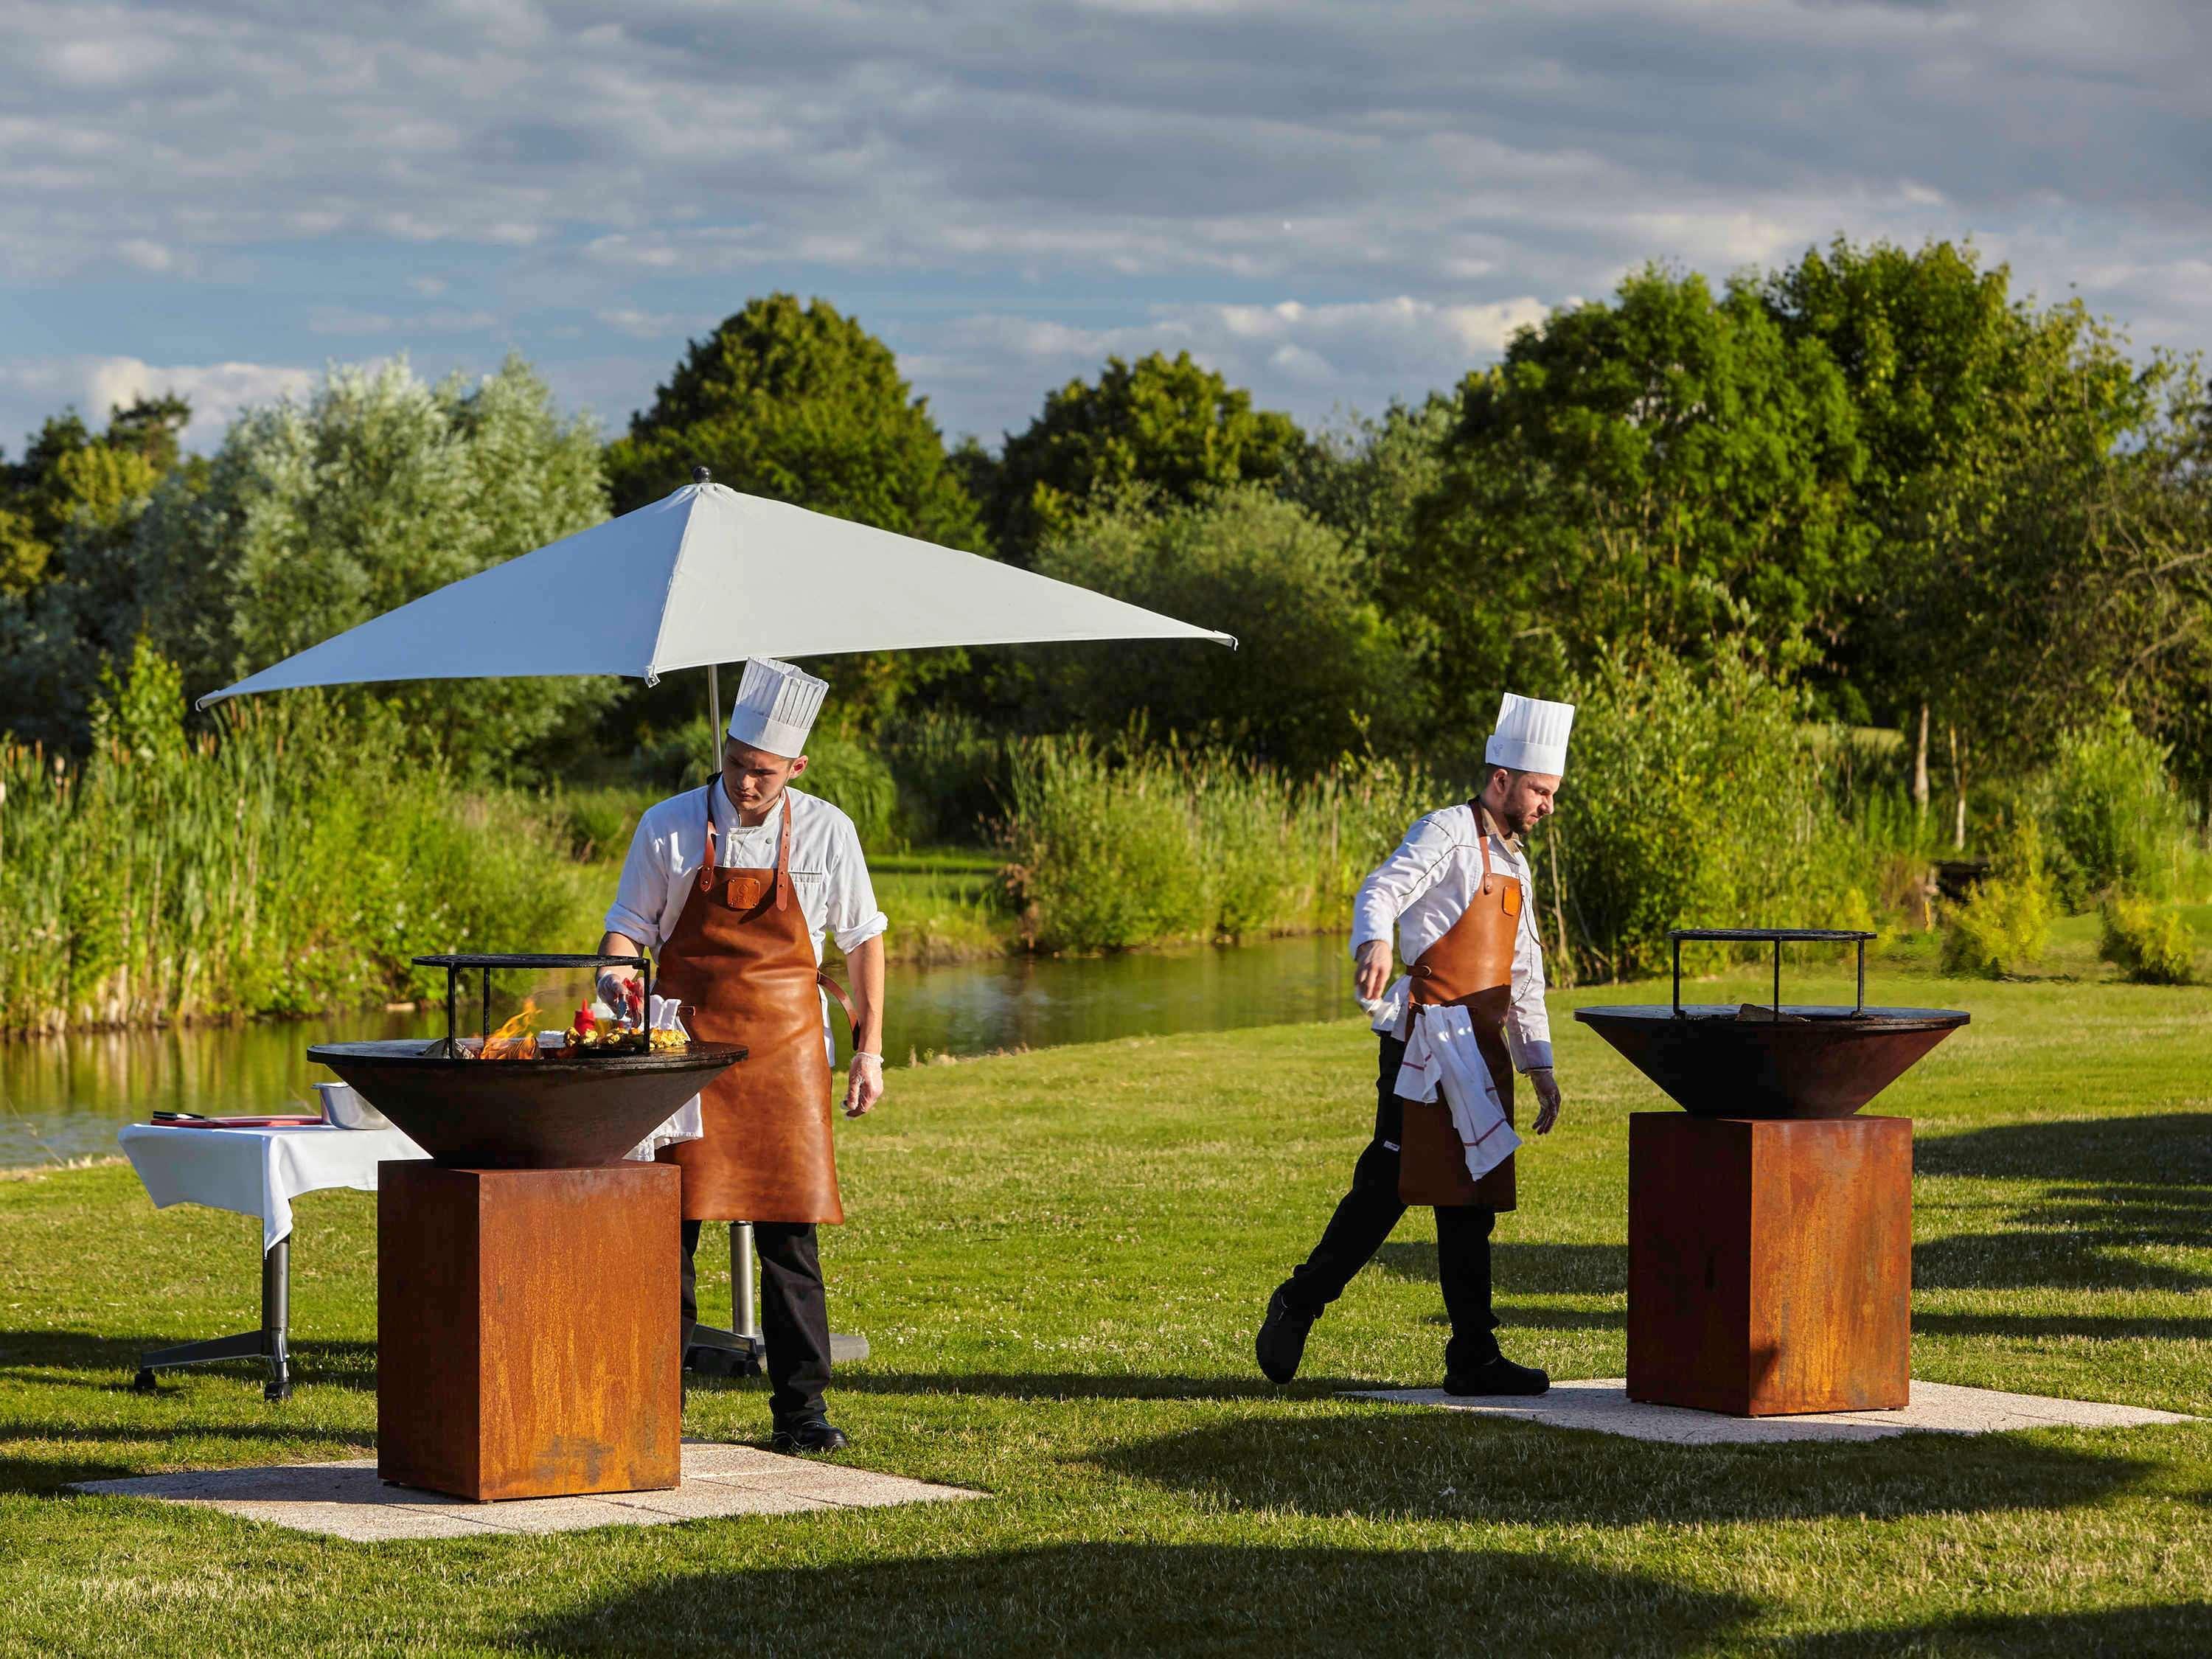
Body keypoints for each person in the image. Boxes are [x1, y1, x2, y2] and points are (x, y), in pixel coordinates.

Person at [598, 656, 887, 1455]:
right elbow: (629, 929)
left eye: (763, 773)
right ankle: (654, 1412)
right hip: (683, 1050)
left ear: (797, 767)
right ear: (721, 750)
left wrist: (871, 1050)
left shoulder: (830, 830)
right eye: (735, 766)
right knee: (669, 1231)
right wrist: (615, 984)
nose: (747, 785)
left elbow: (864, 940)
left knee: (790, 1237)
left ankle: (803, 1413)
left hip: (789, 1054)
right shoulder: (668, 824)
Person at [1256, 693, 1573, 1396]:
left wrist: (1539, 1065)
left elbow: (1524, 973)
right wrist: (1372, 939)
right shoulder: (1449, 833)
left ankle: (1473, 1355)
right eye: (1540, 791)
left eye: (1552, 793)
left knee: (1470, 1200)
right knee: (1387, 1190)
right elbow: (1382, 888)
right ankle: (1299, 1302)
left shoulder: (1518, 866)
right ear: (1502, 779)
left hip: (1482, 1046)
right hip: (1424, 1041)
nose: (1548, 805)